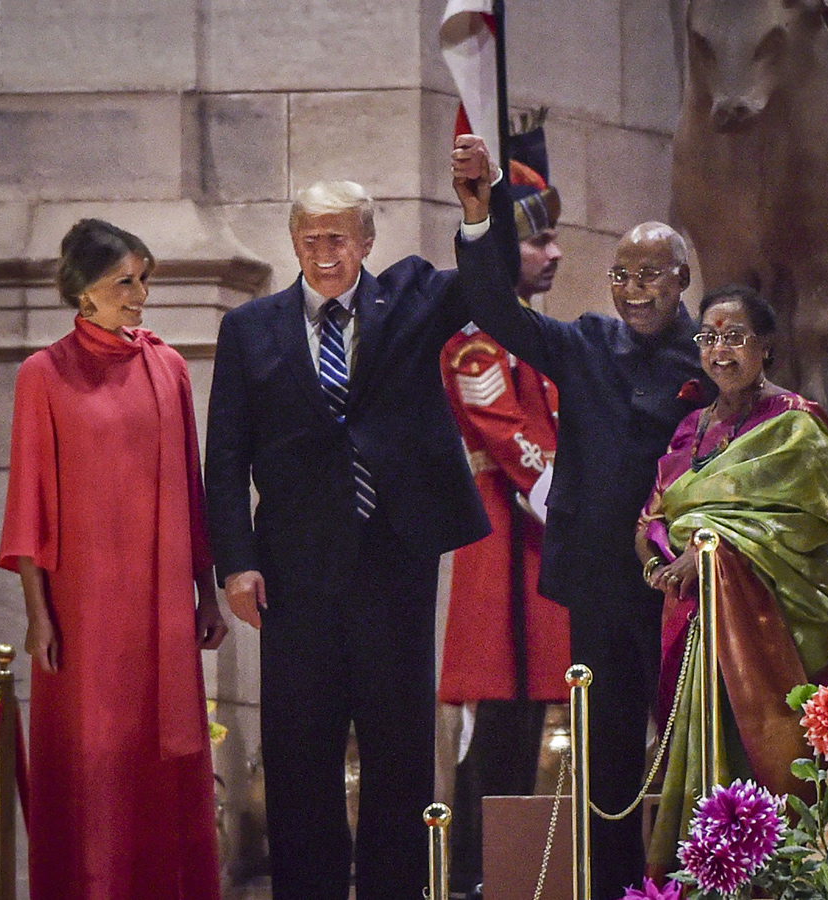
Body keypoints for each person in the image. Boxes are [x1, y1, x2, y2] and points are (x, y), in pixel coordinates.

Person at [205, 136, 511, 900]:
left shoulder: (409, 298)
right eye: (308, 240)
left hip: (393, 564)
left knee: (399, 757)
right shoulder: (250, 330)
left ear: (366, 241)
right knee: (299, 757)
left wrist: (478, 209)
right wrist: (235, 563)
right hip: (294, 575)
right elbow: (226, 457)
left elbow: (485, 286)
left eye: (337, 237)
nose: (323, 252)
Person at [455, 214, 714, 900]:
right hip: (599, 583)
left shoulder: (711, 356)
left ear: (683, 279)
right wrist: (479, 222)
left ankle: (701, 887)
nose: (633, 290)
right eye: (621, 275)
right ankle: (614, 891)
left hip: (681, 589)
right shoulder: (586, 342)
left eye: (651, 275)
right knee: (605, 760)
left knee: (692, 753)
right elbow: (489, 309)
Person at [0, 218, 227, 900]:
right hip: (83, 611)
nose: (139, 295)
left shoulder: (170, 367)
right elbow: (28, 504)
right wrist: (38, 616)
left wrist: (206, 596)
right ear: (82, 292)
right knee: (95, 769)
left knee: (163, 763)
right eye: (123, 282)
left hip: (161, 607)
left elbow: (192, 487)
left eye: (143, 278)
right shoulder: (42, 375)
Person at [635, 284, 828, 878]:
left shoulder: (796, 425)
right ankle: (702, 879)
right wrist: (658, 559)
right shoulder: (688, 429)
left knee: (765, 764)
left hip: (770, 627)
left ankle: (775, 883)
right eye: (708, 337)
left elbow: (800, 524)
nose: (719, 351)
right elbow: (656, 514)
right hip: (693, 619)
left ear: (767, 347)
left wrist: (709, 550)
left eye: (734, 337)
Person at [437, 126, 571, 898]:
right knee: (498, 721)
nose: (553, 253)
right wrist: (583, 508)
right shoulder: (476, 341)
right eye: (538, 240)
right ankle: (476, 878)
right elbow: (513, 442)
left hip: (540, 552)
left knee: (534, 718)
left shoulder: (536, 337)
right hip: (506, 550)